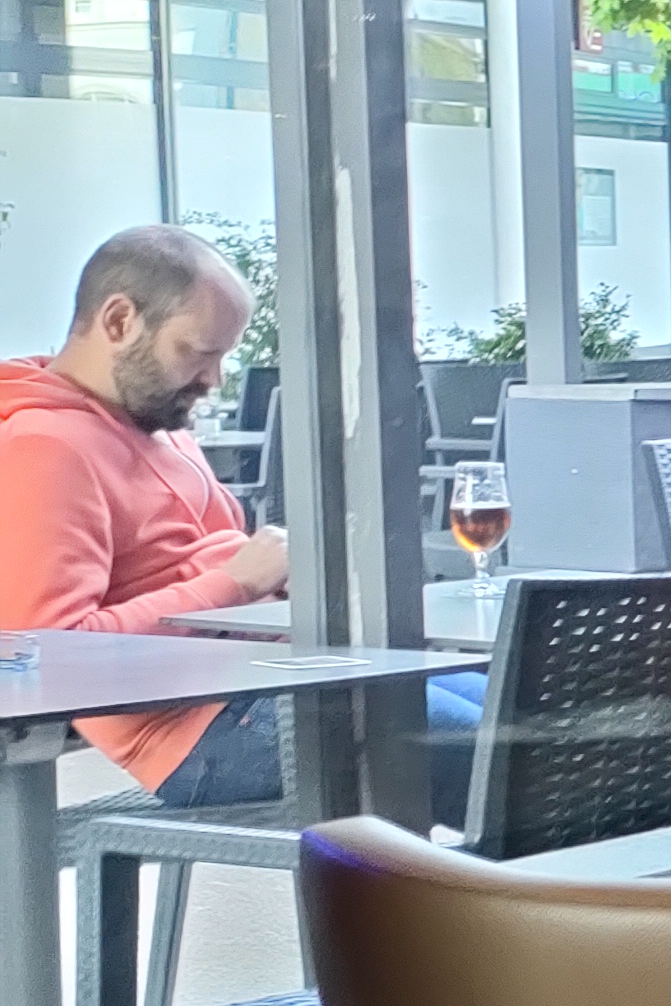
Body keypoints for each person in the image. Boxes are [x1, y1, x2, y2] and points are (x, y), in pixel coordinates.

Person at [0, 224, 482, 815]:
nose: (215, 379)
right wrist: (236, 583)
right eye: (200, 352)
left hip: (281, 671)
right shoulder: (44, 447)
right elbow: (41, 655)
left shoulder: (157, 425)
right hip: (205, 725)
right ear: (119, 321)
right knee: (506, 763)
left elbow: (203, 558)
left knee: (533, 724)